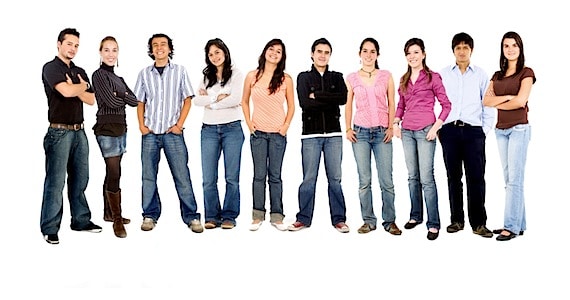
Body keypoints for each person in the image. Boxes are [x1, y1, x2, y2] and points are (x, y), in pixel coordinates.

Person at [134, 33, 203, 233]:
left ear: (169, 48)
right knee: (148, 177)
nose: (159, 48)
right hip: (150, 133)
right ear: (151, 50)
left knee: (182, 176)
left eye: (163, 44)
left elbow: (187, 99)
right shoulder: (144, 73)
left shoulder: (180, 71)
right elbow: (140, 102)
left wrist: (179, 125)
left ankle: (192, 216)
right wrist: (142, 126)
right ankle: (149, 215)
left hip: (173, 133)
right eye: (155, 45)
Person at [40, 28, 102, 244]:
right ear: (59, 44)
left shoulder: (79, 70)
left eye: (76, 45)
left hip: (80, 132)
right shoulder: (50, 68)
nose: (73, 48)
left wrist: (76, 86)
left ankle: (81, 221)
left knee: (80, 179)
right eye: (69, 44)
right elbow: (65, 92)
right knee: (55, 182)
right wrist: (80, 87)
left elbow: (90, 99)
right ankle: (50, 228)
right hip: (59, 132)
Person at [287, 38, 350, 233]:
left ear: (330, 55)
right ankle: (303, 219)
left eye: (327, 52)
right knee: (309, 179)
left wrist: (318, 96)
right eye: (319, 51)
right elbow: (305, 104)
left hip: (333, 135)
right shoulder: (303, 77)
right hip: (310, 136)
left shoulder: (337, 77)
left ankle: (339, 219)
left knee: (335, 179)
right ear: (312, 54)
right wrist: (329, 100)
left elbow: (343, 98)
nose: (323, 55)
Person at [393, 37, 452, 240]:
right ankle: (415, 215)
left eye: (416, 52)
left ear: (423, 54)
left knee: (427, 178)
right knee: (412, 177)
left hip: (426, 130)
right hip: (407, 132)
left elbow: (446, 105)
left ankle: (433, 223)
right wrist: (395, 123)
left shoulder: (433, 77)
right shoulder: (403, 79)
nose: (412, 56)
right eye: (409, 53)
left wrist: (436, 127)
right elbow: (400, 104)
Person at [439, 32, 496, 238]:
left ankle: (479, 223)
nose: (462, 51)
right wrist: (440, 128)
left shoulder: (481, 74)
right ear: (453, 50)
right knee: (453, 177)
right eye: (458, 48)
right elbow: (437, 101)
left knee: (476, 178)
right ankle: (456, 220)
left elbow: (489, 104)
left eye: (465, 47)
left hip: (474, 132)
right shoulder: (443, 74)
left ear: (471, 50)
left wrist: (484, 130)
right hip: (450, 131)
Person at [344, 37, 401, 235]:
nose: (369, 55)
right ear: (360, 54)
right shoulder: (351, 77)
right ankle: (368, 220)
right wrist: (348, 128)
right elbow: (348, 104)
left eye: (372, 51)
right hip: (360, 133)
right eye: (365, 51)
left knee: (387, 180)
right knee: (364, 180)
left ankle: (390, 221)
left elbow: (392, 102)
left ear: (377, 54)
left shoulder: (386, 75)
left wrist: (392, 126)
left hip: (381, 133)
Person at [483, 31, 535, 241]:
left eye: (514, 45)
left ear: (520, 48)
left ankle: (510, 226)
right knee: (510, 179)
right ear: (502, 50)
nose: (510, 49)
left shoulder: (526, 73)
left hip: (519, 129)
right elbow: (486, 101)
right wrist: (506, 97)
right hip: (501, 129)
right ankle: (519, 224)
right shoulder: (497, 76)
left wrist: (499, 101)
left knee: (515, 180)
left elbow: (521, 101)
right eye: (506, 46)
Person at [241, 38, 295, 231]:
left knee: (275, 176)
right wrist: (249, 123)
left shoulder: (286, 79)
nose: (274, 53)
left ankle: (277, 216)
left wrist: (285, 126)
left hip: (278, 134)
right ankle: (257, 215)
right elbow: (245, 102)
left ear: (282, 57)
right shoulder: (252, 76)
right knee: (258, 175)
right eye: (271, 49)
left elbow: (292, 106)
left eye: (278, 51)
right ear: (265, 52)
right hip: (258, 133)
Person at [193, 38, 245, 230]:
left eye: (217, 52)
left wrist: (210, 102)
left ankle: (230, 216)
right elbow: (196, 100)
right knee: (209, 178)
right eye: (210, 54)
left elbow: (237, 98)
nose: (214, 56)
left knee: (232, 177)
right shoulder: (207, 76)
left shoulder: (237, 74)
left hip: (232, 129)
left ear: (225, 51)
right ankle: (212, 216)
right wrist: (217, 97)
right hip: (209, 130)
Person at [91, 36, 139, 238]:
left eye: (114, 50)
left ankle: (109, 213)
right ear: (100, 53)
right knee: (114, 171)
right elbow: (110, 102)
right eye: (107, 50)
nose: (111, 54)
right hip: (106, 128)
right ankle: (117, 220)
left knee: (112, 171)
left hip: (121, 128)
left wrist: (119, 95)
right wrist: (121, 96)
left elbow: (135, 100)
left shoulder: (118, 79)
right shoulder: (98, 75)